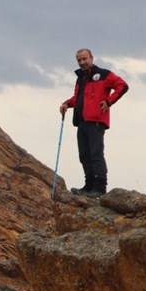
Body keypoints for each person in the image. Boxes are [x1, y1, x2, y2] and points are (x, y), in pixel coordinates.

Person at [57, 48, 129, 197]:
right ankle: (89, 186)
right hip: (81, 121)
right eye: (79, 60)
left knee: (96, 154)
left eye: (85, 59)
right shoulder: (80, 78)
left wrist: (109, 102)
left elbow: (122, 85)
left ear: (91, 58)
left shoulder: (103, 74)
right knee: (84, 155)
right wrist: (66, 104)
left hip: (96, 120)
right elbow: (77, 98)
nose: (82, 62)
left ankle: (100, 188)